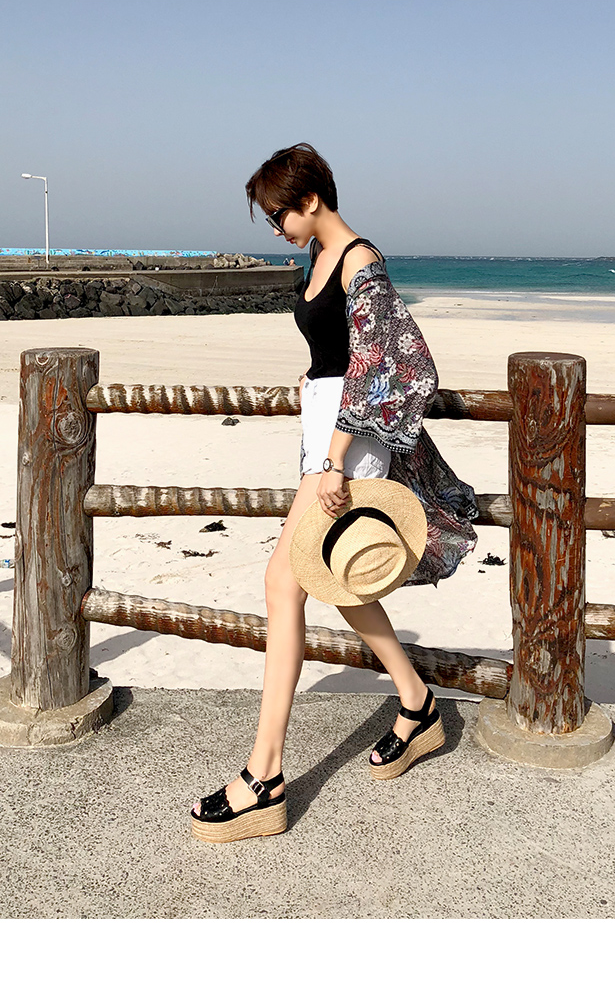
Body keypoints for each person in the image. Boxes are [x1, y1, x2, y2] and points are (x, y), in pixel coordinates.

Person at [191, 143, 478, 842]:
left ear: (311, 199)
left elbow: (393, 366)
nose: (277, 228)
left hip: (347, 447)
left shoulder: (360, 262)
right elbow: (339, 352)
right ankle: (418, 703)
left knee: (282, 582)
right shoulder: (320, 259)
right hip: (322, 436)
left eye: (279, 215)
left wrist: (336, 459)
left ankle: (264, 776)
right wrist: (313, 379)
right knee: (337, 580)